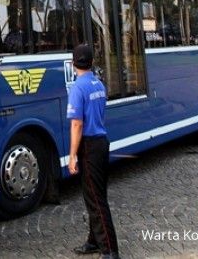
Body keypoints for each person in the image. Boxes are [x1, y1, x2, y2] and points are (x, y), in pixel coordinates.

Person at [67, 44, 120, 259]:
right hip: (101, 141)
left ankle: (109, 250)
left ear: (73, 64)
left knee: (96, 200)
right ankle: (94, 241)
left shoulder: (78, 88)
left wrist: (72, 155)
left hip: (88, 145)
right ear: (91, 62)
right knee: (95, 195)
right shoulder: (98, 84)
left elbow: (77, 124)